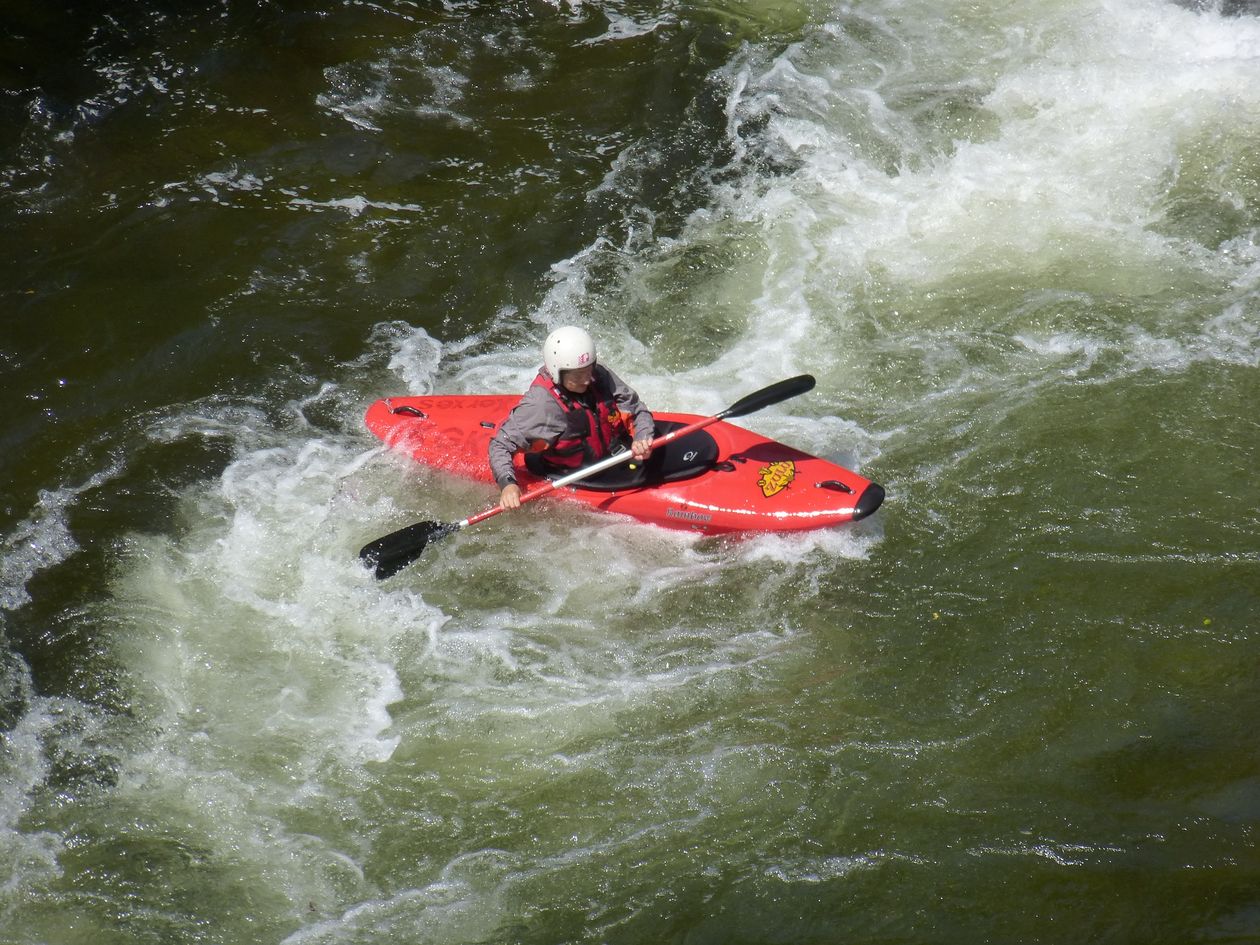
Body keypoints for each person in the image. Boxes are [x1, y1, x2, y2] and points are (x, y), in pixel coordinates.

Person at [489, 326, 654, 509]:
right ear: (557, 372)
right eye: (578, 375)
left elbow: (635, 408)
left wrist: (643, 437)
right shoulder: (542, 405)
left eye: (588, 370)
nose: (587, 379)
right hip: (576, 475)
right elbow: (500, 444)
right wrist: (508, 484)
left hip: (617, 456)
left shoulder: (598, 375)